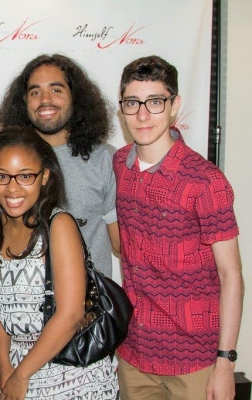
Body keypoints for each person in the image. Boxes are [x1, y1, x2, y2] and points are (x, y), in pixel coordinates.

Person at [114, 55, 244, 399]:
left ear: (175, 106)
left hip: (195, 362)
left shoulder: (205, 181)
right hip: (135, 354)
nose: (142, 115)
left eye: (155, 102)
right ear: (122, 108)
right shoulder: (119, 165)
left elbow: (231, 275)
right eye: (132, 103)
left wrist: (225, 363)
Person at [0, 127, 119, 399]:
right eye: (2, 177)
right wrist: (5, 365)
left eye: (25, 176)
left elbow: (70, 314)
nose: (12, 188)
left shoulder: (58, 225)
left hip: (71, 376)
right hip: (18, 373)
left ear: (45, 177)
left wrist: (21, 374)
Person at [0, 54, 119, 278]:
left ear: (75, 97)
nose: (45, 100)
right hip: (21, 304)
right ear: (23, 102)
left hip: (89, 308)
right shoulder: (7, 160)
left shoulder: (104, 160)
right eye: (35, 92)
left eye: (56, 90)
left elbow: (122, 245)